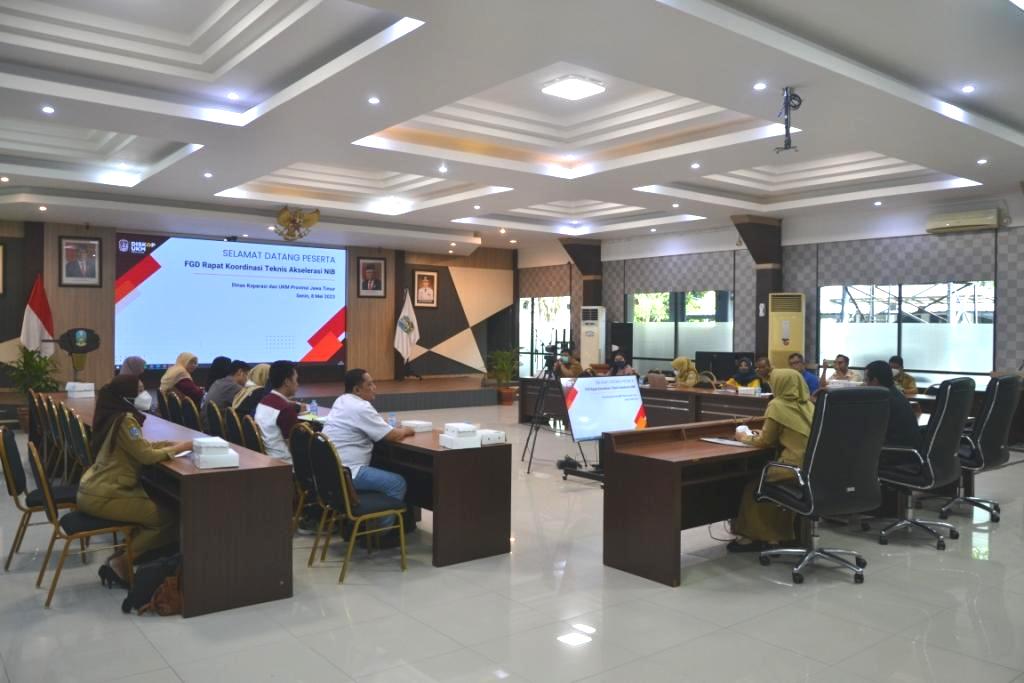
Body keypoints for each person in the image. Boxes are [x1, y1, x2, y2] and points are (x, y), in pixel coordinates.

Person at [76, 375, 191, 586]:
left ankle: (123, 555)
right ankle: (122, 561)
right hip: (105, 495)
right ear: (126, 396)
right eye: (138, 391)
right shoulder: (125, 420)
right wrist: (179, 449)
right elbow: (146, 456)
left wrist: (169, 444)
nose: (144, 395)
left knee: (160, 509)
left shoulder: (114, 415)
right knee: (167, 519)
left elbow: (138, 446)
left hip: (94, 489)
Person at [729, 369, 814, 551]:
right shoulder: (809, 406)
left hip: (792, 468)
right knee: (774, 486)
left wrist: (743, 437)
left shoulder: (777, 405)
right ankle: (778, 536)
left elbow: (765, 441)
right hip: (812, 469)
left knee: (754, 486)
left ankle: (752, 538)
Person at [322, 369, 413, 533]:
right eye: (370, 384)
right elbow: (392, 436)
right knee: (397, 483)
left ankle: (370, 526)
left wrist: (385, 425)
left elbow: (370, 422)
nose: (374, 387)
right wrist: (406, 430)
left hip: (332, 471)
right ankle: (381, 533)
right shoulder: (361, 407)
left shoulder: (342, 400)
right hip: (350, 472)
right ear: (357, 389)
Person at [864, 360, 920, 450]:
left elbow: (870, 430)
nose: (864, 384)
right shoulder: (895, 394)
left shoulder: (884, 400)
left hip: (895, 451)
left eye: (866, 380)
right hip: (908, 449)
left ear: (875, 381)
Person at [254, 361, 302, 463]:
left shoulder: (263, 402)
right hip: (285, 463)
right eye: (296, 380)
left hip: (266, 458)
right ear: (287, 382)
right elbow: (295, 446)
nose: (298, 384)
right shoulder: (286, 409)